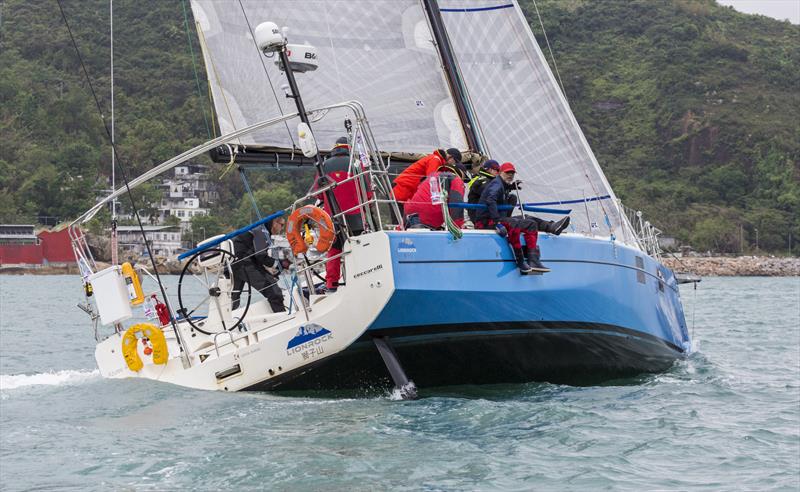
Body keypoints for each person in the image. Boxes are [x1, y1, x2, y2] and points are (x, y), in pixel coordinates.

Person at [475, 162, 570, 274]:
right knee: (518, 224)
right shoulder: (496, 184)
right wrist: (497, 223)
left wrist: (511, 186)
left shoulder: (501, 183)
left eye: (512, 173)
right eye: (507, 172)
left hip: (497, 218)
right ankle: (521, 261)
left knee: (530, 221)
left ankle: (549, 231)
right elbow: (490, 199)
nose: (510, 175)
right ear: (500, 172)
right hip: (487, 221)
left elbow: (501, 188)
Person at [319, 136, 365, 292]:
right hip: (356, 215)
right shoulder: (357, 163)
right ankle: (360, 278)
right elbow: (367, 192)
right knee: (359, 246)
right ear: (349, 148)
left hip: (332, 215)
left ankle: (331, 284)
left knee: (334, 249)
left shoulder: (323, 166)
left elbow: (319, 193)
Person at [231, 216, 286, 312]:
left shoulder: (260, 230)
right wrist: (281, 264)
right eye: (282, 225)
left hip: (233, 263)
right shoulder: (262, 231)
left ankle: (227, 322)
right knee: (273, 290)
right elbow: (261, 256)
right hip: (243, 263)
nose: (282, 228)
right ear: (274, 223)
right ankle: (284, 319)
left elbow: (256, 258)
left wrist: (271, 271)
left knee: (231, 298)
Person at [392, 148, 462, 213]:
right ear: (450, 157)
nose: (453, 164)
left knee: (403, 219)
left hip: (406, 188)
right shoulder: (435, 159)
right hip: (403, 188)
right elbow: (431, 179)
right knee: (400, 219)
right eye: (454, 162)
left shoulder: (435, 159)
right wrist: (437, 199)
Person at [403, 162, 467, 229]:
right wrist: (458, 226)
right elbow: (457, 204)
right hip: (427, 217)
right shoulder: (456, 180)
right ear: (461, 173)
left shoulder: (432, 176)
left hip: (409, 213)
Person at [466, 159, 500, 223]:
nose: (498, 172)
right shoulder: (482, 180)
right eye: (497, 170)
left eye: (499, 170)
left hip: (485, 213)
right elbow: (489, 194)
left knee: (512, 197)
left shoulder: (491, 180)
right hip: (478, 215)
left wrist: (508, 187)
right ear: (489, 169)